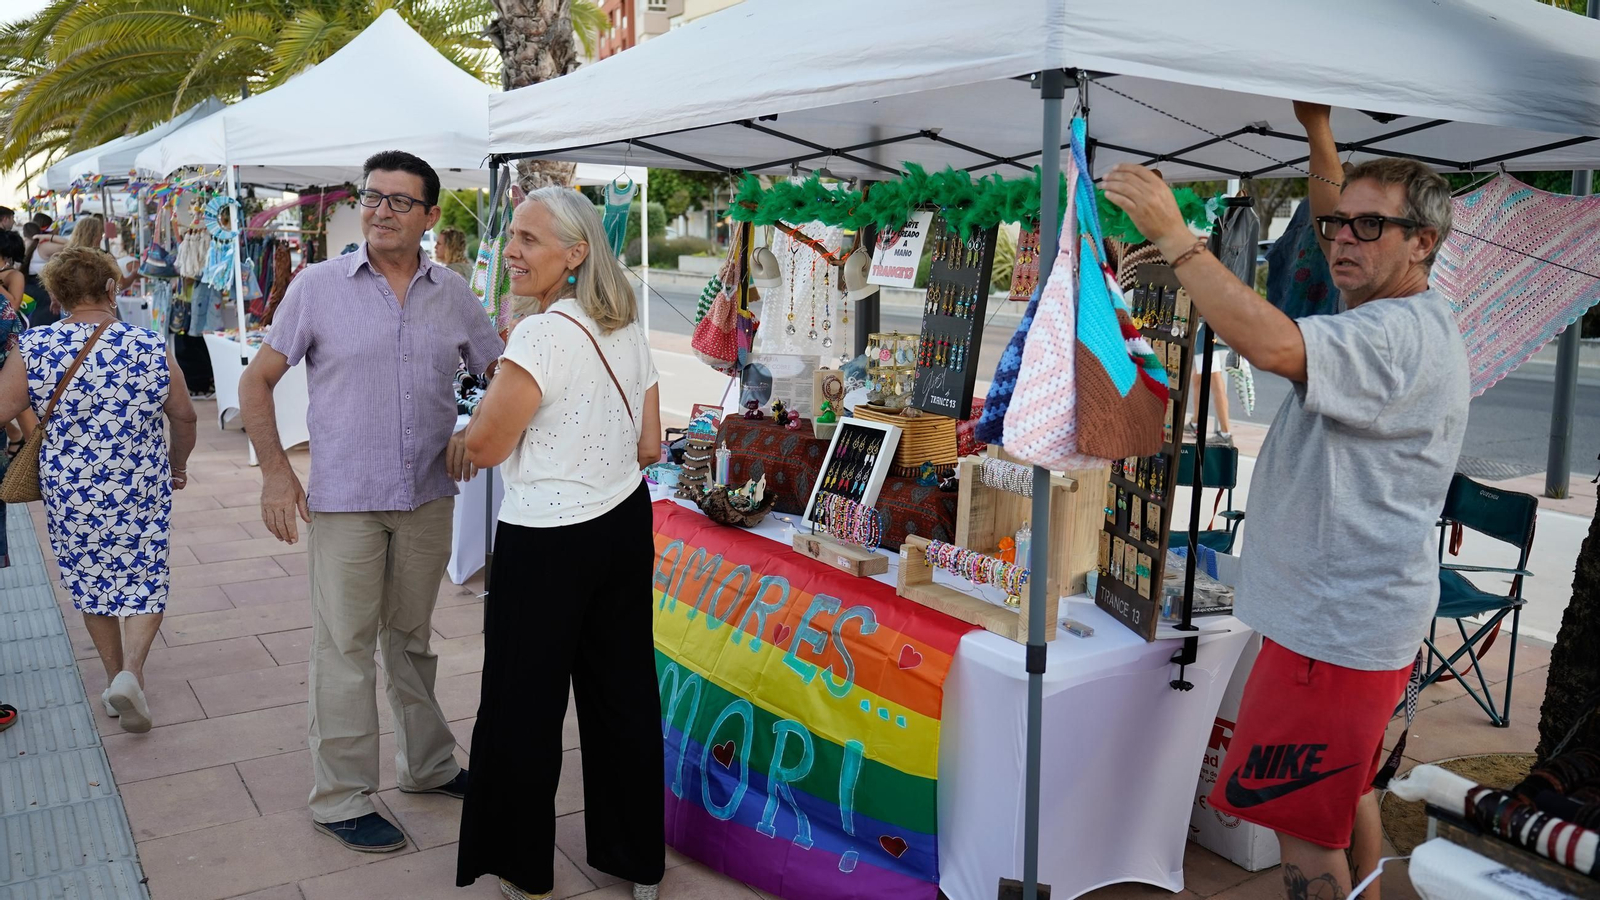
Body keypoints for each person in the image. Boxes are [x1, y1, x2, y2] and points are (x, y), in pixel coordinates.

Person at [1104, 102, 1468, 900]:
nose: (1342, 237)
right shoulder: (1387, 309)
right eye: (1337, 225)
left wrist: (1177, 239)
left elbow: (1269, 343)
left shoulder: (1394, 334)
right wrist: (1318, 135)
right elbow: (1340, 204)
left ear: (1423, 243)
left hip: (1330, 638)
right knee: (1341, 806)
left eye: (1370, 229)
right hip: (1342, 627)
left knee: (1303, 843)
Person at [239, 150, 503, 853]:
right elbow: (255, 382)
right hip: (346, 502)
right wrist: (274, 472)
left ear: (430, 217)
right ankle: (341, 797)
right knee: (345, 648)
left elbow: (502, 374)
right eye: (372, 197)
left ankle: (427, 765)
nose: (380, 211)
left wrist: (477, 427)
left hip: (426, 499)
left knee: (410, 641)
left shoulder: (454, 294)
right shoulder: (317, 286)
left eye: (397, 201)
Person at [456, 187, 665, 900]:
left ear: (575, 255)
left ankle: (521, 868)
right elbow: (651, 444)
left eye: (528, 239)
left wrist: (481, 431)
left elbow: (484, 444)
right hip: (623, 524)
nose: (511, 250)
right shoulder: (627, 325)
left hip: (548, 537)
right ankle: (637, 862)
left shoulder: (541, 335)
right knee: (624, 697)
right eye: (512, 235)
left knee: (523, 705)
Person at [0, 246, 198, 733]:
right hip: (140, 484)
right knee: (144, 575)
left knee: (91, 583)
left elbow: (2, 409)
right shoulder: (149, 345)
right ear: (113, 289)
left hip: (71, 490)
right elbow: (185, 416)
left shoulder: (36, 347)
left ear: (57, 297)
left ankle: (115, 679)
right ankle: (131, 673)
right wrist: (178, 465)